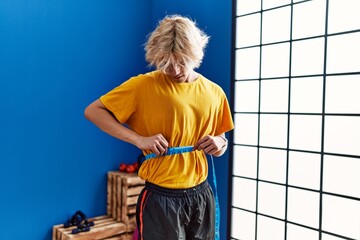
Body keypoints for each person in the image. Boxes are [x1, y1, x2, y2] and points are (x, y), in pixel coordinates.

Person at [84, 14, 234, 240]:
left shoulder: (214, 92)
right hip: (161, 199)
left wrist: (219, 143)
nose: (174, 70)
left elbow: (222, 139)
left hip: (202, 196)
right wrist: (139, 140)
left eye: (181, 62)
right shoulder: (143, 85)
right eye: (166, 63)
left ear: (195, 54)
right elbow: (93, 111)